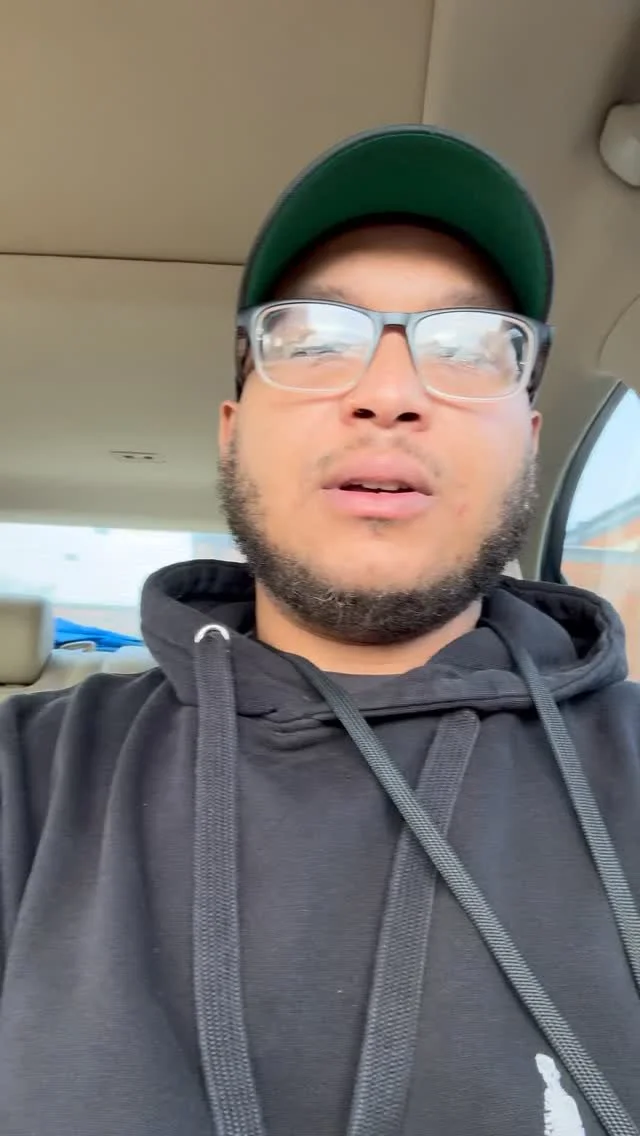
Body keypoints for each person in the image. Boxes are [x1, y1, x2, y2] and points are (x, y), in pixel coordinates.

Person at [1, 125, 639, 1136]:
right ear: (231, 432)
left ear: (527, 440)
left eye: (469, 348)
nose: (387, 394)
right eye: (313, 341)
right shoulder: (27, 782)